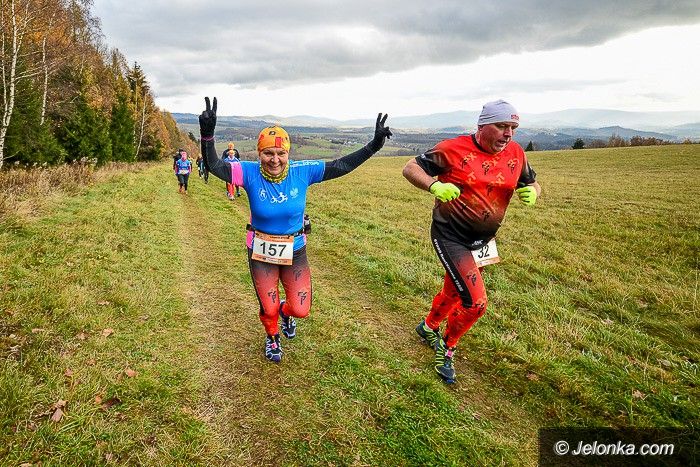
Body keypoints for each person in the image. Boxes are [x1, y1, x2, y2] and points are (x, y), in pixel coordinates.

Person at [199, 97, 391, 363]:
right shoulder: (248, 172)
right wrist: (207, 136)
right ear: (259, 153)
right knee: (268, 307)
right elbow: (214, 166)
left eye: (281, 153)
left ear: (288, 153)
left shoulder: (302, 172)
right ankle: (272, 336)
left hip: (295, 249)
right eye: (268, 153)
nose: (275, 159)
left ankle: (286, 314)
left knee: (301, 309)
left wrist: (373, 146)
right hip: (261, 250)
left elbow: (340, 166)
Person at [402, 99, 541, 384]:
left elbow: (532, 182)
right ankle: (447, 347)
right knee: (475, 303)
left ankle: (428, 327)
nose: (508, 134)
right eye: (501, 126)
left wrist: (534, 191)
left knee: (455, 291)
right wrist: (434, 185)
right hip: (451, 236)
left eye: (513, 127)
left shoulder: (516, 153)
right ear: (482, 125)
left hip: (484, 241)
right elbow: (410, 168)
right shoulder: (453, 149)